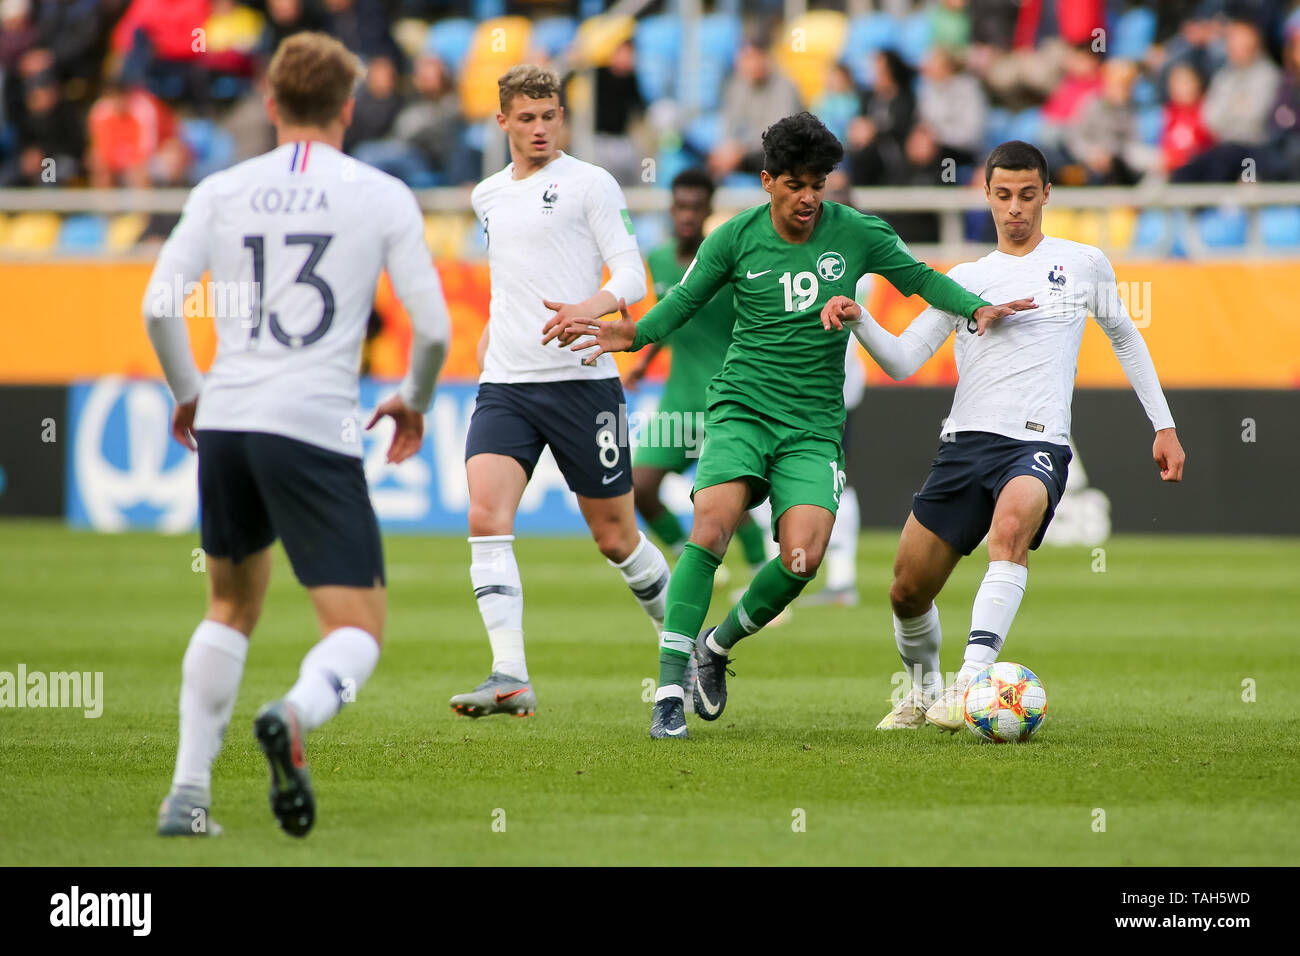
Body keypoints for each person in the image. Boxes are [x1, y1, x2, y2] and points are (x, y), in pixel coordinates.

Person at [547, 112, 1034, 739]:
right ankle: (668, 688)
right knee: (713, 525)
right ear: (767, 180)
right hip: (741, 410)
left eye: (819, 184)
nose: (808, 198)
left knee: (801, 558)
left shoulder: (856, 232)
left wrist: (976, 307)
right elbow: (683, 302)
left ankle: (715, 649)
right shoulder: (735, 238)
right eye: (796, 184)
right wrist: (634, 333)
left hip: (811, 426)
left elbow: (917, 281)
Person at [145, 32, 451, 837]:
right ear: (349, 107)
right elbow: (433, 329)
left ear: (271, 104)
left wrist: (189, 395)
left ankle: (187, 796)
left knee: (228, 606)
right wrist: (414, 400)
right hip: (312, 422)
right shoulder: (381, 193)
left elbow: (157, 305)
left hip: (230, 417)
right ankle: (294, 712)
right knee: (355, 628)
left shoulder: (221, 188)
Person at [820, 140, 1185, 731]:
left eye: (1026, 195)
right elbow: (904, 360)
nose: (1015, 208)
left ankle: (969, 685)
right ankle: (921, 691)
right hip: (965, 444)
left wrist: (1163, 424)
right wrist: (862, 321)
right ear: (986, 197)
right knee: (906, 591)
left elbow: (1125, 337)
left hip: (1038, 443)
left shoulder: (1083, 263)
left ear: (1046, 195)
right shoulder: (965, 278)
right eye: (1003, 195)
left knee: (1010, 529)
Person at [452, 64, 669, 720]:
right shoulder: (487, 196)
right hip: (507, 386)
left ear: (563, 119)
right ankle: (509, 675)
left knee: (616, 538)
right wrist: (497, 334)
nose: (540, 129)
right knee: (486, 519)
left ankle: (682, 642)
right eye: (527, 118)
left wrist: (591, 306)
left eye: (550, 117)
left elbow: (632, 273)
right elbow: (513, 277)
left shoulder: (591, 183)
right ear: (503, 123)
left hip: (582, 386)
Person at [622, 168, 771, 585]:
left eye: (695, 207)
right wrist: (643, 362)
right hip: (679, 399)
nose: (687, 214)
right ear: (671, 208)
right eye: (680, 205)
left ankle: (761, 577)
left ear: (708, 210)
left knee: (727, 501)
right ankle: (682, 555)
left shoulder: (723, 260)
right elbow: (670, 316)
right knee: (640, 486)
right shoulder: (658, 258)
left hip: (726, 399)